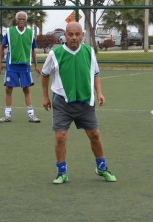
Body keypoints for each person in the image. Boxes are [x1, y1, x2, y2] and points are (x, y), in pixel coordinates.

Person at [41, 21, 116, 184]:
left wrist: (100, 93)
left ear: (82, 35)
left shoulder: (89, 52)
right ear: (65, 36)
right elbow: (45, 74)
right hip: (62, 102)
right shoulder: (55, 53)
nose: (74, 37)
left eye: (77, 34)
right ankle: (62, 172)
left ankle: (102, 168)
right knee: (60, 136)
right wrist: (45, 96)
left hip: (85, 102)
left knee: (94, 135)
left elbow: (95, 73)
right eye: (70, 34)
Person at [0, 11, 41, 123]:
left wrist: (36, 65)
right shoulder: (10, 32)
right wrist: (0, 63)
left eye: (24, 19)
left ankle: (31, 115)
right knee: (8, 89)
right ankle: (7, 115)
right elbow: (2, 47)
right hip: (11, 66)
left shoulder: (31, 33)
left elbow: (33, 50)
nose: (21, 21)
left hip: (25, 66)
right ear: (16, 21)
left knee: (26, 89)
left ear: (26, 21)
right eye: (19, 19)